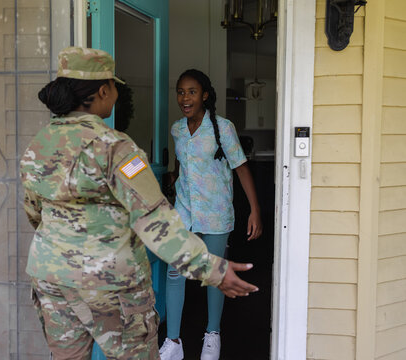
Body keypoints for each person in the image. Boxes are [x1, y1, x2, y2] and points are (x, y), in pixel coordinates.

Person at [20, 47, 259, 360]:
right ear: (103, 90)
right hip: (109, 284)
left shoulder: (40, 142)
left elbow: (34, 212)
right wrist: (213, 270)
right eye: (115, 86)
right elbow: (155, 223)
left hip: (50, 278)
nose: (117, 93)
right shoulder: (114, 148)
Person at [159, 69, 263, 360]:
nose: (184, 98)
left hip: (216, 211)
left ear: (204, 95)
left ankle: (212, 335)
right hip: (185, 211)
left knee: (215, 274)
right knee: (175, 271)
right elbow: (183, 163)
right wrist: (175, 177)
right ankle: (174, 342)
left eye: (191, 91)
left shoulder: (223, 127)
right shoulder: (177, 129)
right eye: (180, 92)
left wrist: (255, 210)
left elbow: (241, 167)